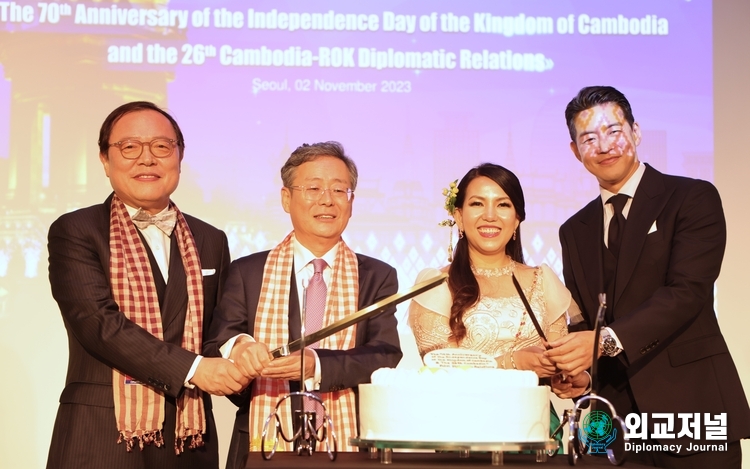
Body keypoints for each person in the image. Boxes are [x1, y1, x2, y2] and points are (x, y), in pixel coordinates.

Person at [547, 86, 750, 468]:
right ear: (576, 152)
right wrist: (581, 374)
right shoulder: (574, 230)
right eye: (589, 138)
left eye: (613, 130)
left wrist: (603, 342)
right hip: (615, 427)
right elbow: (590, 319)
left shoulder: (691, 198)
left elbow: (687, 292)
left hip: (691, 409)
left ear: (636, 132)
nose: (604, 145)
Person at [46, 101, 248, 469]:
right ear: (105, 160)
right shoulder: (75, 230)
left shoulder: (210, 239)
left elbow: (218, 333)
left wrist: (250, 359)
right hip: (101, 436)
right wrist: (193, 370)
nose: (146, 159)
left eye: (160, 146)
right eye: (129, 147)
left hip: (190, 439)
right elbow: (98, 324)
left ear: (179, 157)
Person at [203, 141, 402, 468]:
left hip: (350, 442)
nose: (327, 199)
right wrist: (240, 347)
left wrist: (316, 365)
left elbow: (384, 354)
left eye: (340, 190)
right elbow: (216, 343)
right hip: (259, 439)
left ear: (352, 202)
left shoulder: (377, 276)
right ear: (286, 198)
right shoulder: (247, 271)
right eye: (313, 188)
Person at [408, 163, 591, 433]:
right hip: (462, 430)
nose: (490, 216)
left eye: (503, 205)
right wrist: (515, 362)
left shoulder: (543, 281)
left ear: (517, 218)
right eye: (477, 204)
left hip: (535, 429)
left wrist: (572, 377)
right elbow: (438, 366)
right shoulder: (436, 285)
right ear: (458, 216)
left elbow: (559, 359)